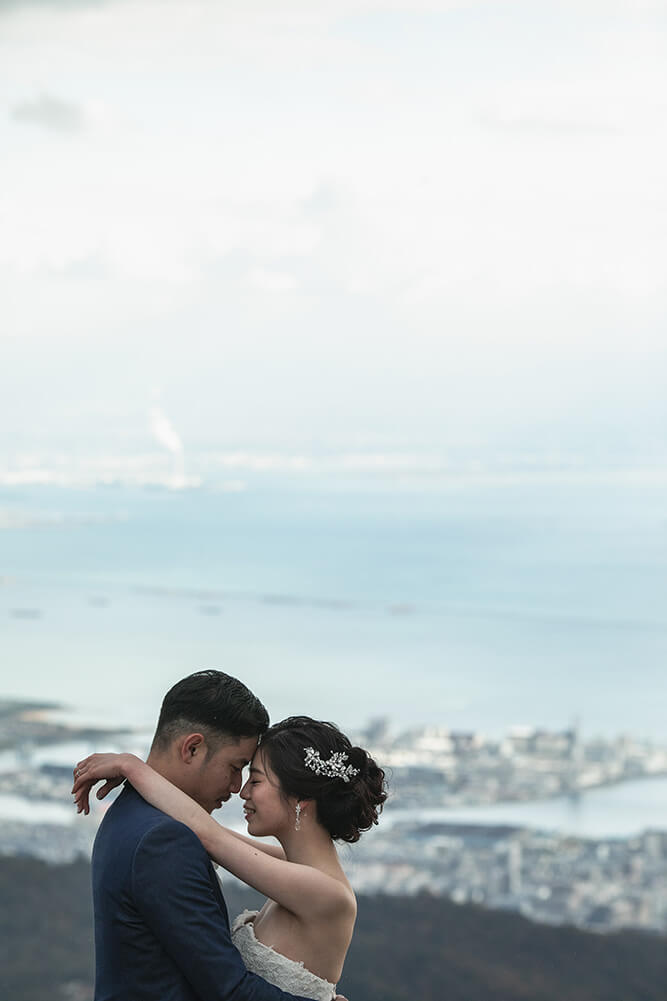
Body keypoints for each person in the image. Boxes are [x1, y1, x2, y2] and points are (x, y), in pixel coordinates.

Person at [74, 671, 385, 1001]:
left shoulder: (137, 819)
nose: (240, 789)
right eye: (238, 768)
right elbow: (213, 836)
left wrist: (131, 766)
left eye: (255, 778)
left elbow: (210, 836)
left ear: (300, 800)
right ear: (192, 748)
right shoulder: (165, 838)